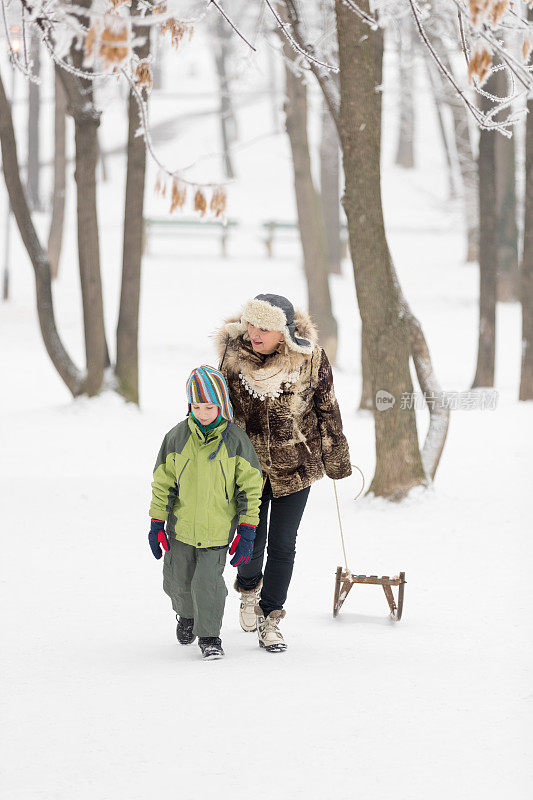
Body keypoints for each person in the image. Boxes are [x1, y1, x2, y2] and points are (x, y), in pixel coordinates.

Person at [216, 294, 352, 653]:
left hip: (296, 465)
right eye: (251, 325)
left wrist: (335, 456)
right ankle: (248, 590)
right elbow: (221, 411)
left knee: (283, 543)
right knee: (252, 537)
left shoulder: (311, 358)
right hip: (248, 468)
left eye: (265, 328)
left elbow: (327, 407)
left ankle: (271, 615)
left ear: (284, 332)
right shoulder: (233, 357)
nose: (254, 334)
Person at [148, 365, 262, 660]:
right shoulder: (176, 438)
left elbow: (249, 487)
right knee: (178, 582)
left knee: (208, 585)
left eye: (209, 406)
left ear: (221, 405)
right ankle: (186, 616)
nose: (202, 413)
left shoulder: (236, 441)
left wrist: (247, 529)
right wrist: (157, 521)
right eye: (196, 406)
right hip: (180, 528)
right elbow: (163, 482)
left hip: (216, 530)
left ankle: (210, 635)